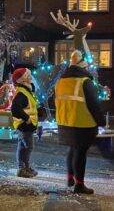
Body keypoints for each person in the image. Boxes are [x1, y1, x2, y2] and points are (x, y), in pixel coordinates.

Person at [55, 50, 106, 194]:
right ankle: (79, 185)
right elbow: (94, 105)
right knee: (81, 153)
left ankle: (70, 178)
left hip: (64, 122)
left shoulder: (61, 81)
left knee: (72, 150)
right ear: (83, 66)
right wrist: (101, 121)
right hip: (82, 124)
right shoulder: (85, 81)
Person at [11, 67, 39, 178]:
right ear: (22, 80)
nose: (30, 78)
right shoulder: (22, 93)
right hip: (25, 126)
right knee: (28, 147)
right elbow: (15, 109)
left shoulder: (25, 91)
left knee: (23, 147)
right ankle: (23, 168)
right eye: (28, 76)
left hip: (25, 125)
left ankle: (24, 167)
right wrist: (27, 118)